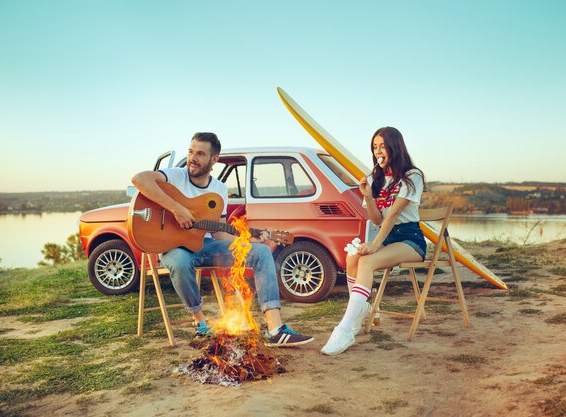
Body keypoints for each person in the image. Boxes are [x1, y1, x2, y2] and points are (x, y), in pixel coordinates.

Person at [132, 132, 313, 347]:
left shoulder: (218, 189)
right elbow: (139, 179)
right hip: (174, 246)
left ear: (214, 159)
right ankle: (201, 324)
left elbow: (219, 231)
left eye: (200, 153)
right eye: (191, 152)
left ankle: (275, 329)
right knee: (180, 262)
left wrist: (250, 239)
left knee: (262, 252)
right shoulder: (175, 176)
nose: (193, 158)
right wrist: (177, 209)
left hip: (207, 245)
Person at [321, 127, 427, 355]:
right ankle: (362, 310)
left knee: (366, 262)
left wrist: (375, 245)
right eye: (375, 147)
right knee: (353, 257)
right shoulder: (374, 178)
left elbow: (394, 215)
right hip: (387, 237)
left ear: (395, 147)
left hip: (410, 239)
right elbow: (377, 219)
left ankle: (345, 330)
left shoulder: (412, 176)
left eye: (382, 146)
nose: (378, 151)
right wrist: (368, 196)